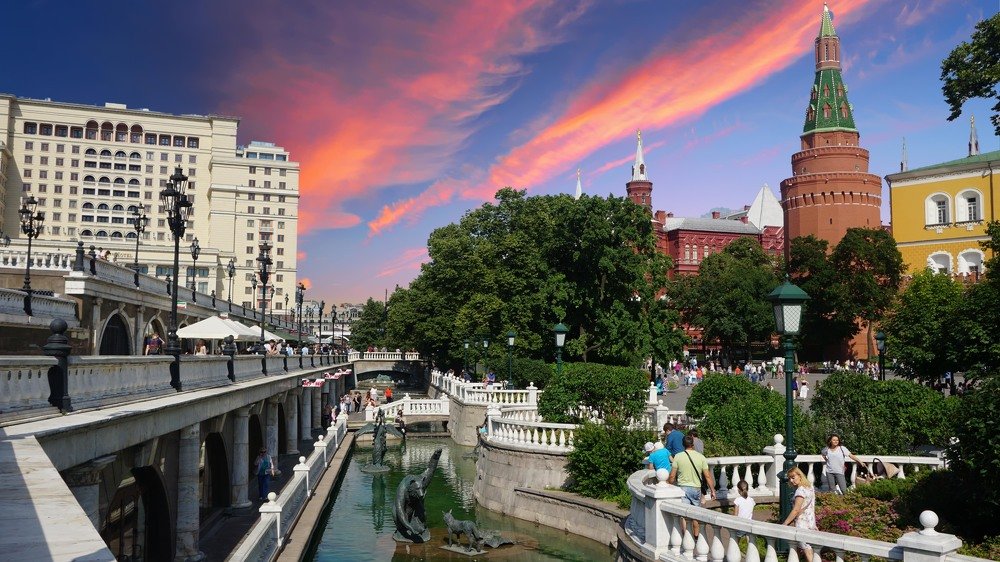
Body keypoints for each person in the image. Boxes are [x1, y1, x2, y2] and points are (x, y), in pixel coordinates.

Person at [668, 435, 716, 538]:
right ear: (693, 444)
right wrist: (712, 490)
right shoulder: (701, 457)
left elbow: (672, 476)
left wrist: (668, 485)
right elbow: (707, 476)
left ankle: (685, 536)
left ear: (683, 444)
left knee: (684, 515)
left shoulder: (678, 456)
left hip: (682, 488)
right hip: (696, 489)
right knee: (695, 513)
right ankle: (696, 536)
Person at [781, 467, 817, 562]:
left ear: (800, 476)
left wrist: (785, 524)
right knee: (807, 550)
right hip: (811, 522)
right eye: (789, 478)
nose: (791, 480)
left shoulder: (800, 491)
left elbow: (796, 510)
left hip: (802, 524)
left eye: (793, 477)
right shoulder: (809, 488)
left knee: (807, 551)